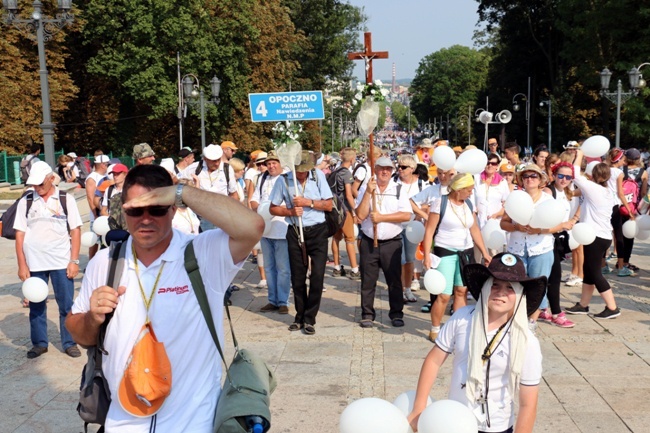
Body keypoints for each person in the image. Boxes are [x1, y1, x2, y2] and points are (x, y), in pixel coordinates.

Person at [66, 164, 264, 431]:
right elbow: (79, 334)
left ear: (173, 209)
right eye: (136, 209)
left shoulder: (202, 253)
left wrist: (179, 192)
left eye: (157, 208)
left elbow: (252, 227)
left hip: (193, 423)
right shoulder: (106, 261)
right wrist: (93, 318)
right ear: (123, 211)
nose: (146, 218)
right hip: (123, 422)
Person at [407, 253, 544, 433]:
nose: (501, 292)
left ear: (519, 295)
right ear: (485, 287)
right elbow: (433, 361)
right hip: (453, 421)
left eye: (510, 287)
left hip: (496, 427)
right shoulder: (462, 318)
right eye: (495, 284)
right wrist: (418, 407)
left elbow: (528, 403)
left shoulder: (526, 341)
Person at [14, 161, 83, 359]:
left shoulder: (65, 199)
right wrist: (22, 264)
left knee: (66, 305)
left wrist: (74, 260)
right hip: (34, 263)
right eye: (34, 185)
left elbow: (76, 230)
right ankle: (39, 343)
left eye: (40, 184)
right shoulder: (26, 200)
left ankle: (69, 342)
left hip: (61, 262)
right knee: (36, 304)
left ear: (51, 178)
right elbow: (20, 234)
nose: (37, 188)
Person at [269, 150, 333, 335]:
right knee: (297, 277)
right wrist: (289, 212)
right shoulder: (284, 180)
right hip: (296, 231)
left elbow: (328, 205)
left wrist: (308, 202)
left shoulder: (318, 176)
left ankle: (310, 317)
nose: (301, 174)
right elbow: (273, 208)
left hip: (318, 230)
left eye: (304, 170)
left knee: (318, 276)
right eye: (298, 170)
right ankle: (299, 316)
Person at [422, 173, 491, 342]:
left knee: (461, 291)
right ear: (458, 189)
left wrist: (485, 252)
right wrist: (426, 256)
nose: (470, 193)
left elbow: (474, 229)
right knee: (444, 294)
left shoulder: (468, 203)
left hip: (465, 251)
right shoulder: (441, 203)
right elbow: (429, 231)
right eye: (468, 190)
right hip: (445, 250)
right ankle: (435, 328)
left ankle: (458, 327)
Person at [356, 156, 411, 328]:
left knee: (394, 280)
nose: (384, 172)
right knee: (368, 280)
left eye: (388, 169)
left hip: (391, 242)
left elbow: (406, 215)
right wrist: (367, 193)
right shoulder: (366, 188)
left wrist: (382, 218)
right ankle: (367, 314)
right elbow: (360, 215)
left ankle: (396, 313)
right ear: (376, 170)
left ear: (392, 171)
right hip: (369, 241)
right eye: (381, 168)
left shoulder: (399, 189)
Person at [565, 150, 620, 319]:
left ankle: (612, 308)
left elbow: (574, 173)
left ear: (593, 175)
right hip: (602, 236)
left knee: (595, 273)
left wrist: (580, 155)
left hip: (595, 237)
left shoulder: (593, 189)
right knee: (588, 271)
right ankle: (583, 304)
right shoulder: (608, 192)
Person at [500, 164, 555, 328]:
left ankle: (532, 322)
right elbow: (503, 223)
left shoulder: (548, 200)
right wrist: (516, 227)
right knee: (515, 285)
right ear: (521, 180)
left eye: (533, 176)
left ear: (540, 180)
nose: (529, 179)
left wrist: (540, 229)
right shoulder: (515, 198)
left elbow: (559, 224)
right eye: (526, 176)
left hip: (541, 248)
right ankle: (515, 319)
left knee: (538, 286)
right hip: (517, 248)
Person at [538, 162, 579, 328]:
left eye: (568, 177)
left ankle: (543, 308)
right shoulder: (549, 191)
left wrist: (574, 220)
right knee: (554, 277)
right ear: (554, 175)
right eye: (560, 175)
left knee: (548, 276)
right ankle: (556, 313)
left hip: (558, 238)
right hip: (547, 238)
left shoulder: (566, 192)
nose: (564, 179)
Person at [251, 151, 291, 314]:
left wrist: (275, 210)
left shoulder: (287, 179)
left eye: (275, 163)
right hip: (265, 230)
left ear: (281, 163)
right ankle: (272, 300)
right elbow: (254, 198)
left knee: (282, 268)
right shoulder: (262, 179)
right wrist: (258, 210)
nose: (271, 166)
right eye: (269, 163)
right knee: (268, 267)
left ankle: (283, 301)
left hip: (281, 230)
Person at [395, 154, 424, 302]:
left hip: (414, 227)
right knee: (400, 260)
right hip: (397, 226)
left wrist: (420, 214)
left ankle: (408, 289)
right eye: (398, 166)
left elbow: (429, 202)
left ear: (412, 169)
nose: (400, 169)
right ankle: (400, 290)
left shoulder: (421, 184)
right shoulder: (394, 183)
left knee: (410, 259)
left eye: (403, 167)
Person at [329, 147, 360, 279]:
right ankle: (354, 269)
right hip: (345, 210)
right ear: (352, 159)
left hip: (334, 209)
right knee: (350, 239)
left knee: (336, 238)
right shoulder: (346, 174)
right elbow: (348, 194)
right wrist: (355, 211)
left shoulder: (335, 172)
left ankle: (336, 267)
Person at [619, 148, 647, 273]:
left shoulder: (620, 171)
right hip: (633, 207)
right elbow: (644, 192)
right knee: (629, 235)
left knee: (618, 235)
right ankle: (626, 262)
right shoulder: (643, 173)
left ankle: (619, 261)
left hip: (619, 206)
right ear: (638, 159)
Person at [86, 154, 109, 259]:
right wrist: (95, 215)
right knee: (94, 241)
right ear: (103, 165)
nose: (108, 166)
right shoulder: (92, 178)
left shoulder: (107, 176)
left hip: (104, 213)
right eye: (107, 164)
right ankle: (91, 262)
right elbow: (91, 198)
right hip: (97, 216)